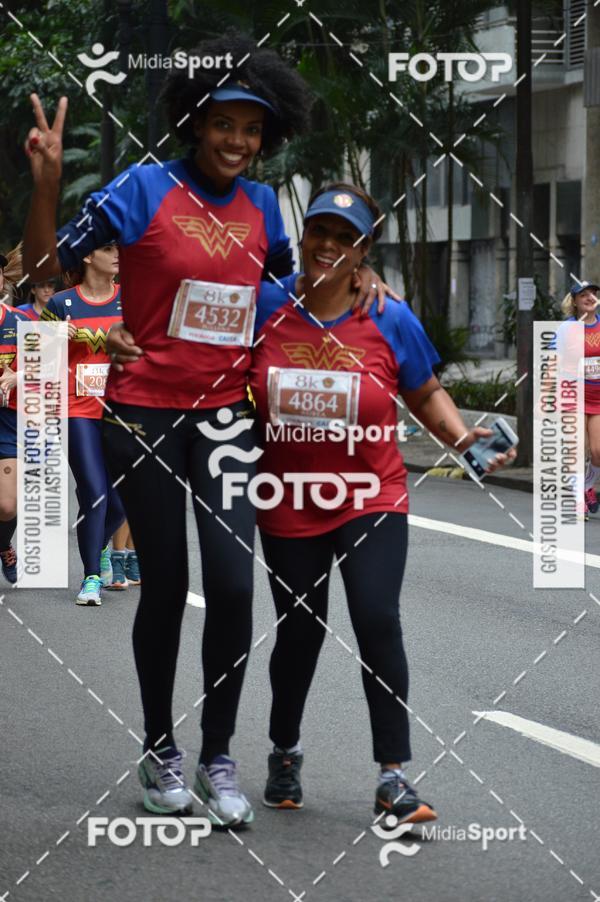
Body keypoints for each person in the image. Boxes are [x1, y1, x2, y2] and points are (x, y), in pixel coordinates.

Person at [22, 34, 394, 827]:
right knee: (164, 583)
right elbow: (40, 277)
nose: (237, 141)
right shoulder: (140, 189)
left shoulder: (262, 208)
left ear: (268, 136)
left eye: (251, 129)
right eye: (223, 123)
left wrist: (360, 277)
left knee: (229, 584)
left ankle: (218, 753)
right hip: (145, 413)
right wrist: (49, 189)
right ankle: (161, 752)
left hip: (226, 415)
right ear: (194, 121)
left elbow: (292, 292)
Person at [248, 184, 516, 822]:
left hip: (372, 494)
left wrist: (462, 439)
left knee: (377, 619)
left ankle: (393, 775)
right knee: (301, 632)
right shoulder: (265, 307)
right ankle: (284, 753)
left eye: (347, 239)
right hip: (288, 497)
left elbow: (423, 392)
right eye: (322, 233)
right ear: (304, 235)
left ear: (364, 250)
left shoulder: (389, 316)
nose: (330, 247)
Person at [41, 243, 126, 605]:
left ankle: (100, 545)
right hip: (79, 411)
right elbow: (39, 355)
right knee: (94, 493)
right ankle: (91, 577)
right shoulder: (61, 304)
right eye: (108, 248)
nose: (118, 254)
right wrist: (54, 340)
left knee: (122, 505)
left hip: (125, 413)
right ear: (88, 257)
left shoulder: (133, 300)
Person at [560, 280, 600, 514]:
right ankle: (578, 501)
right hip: (573, 395)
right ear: (574, 301)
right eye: (583, 294)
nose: (589, 297)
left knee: (597, 452)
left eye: (593, 293)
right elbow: (552, 363)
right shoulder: (567, 328)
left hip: (597, 397)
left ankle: (587, 486)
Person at [0, 269, 29, 584]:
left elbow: (46, 368)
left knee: (7, 505)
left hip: (8, 420)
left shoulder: (20, 323)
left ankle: (3, 544)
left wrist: (16, 377)